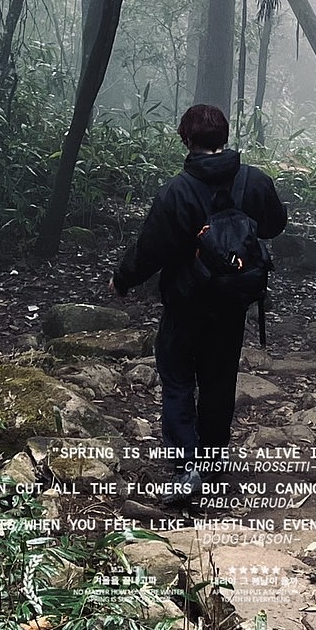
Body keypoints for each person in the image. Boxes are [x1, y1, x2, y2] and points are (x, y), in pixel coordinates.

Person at [109, 102, 287, 505]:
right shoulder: (254, 182)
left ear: (186, 140)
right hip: (233, 301)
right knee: (219, 381)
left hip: (186, 302)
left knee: (176, 379)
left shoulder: (177, 191)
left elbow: (152, 247)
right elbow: (275, 225)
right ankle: (212, 460)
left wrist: (123, 279)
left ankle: (185, 466)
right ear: (224, 137)